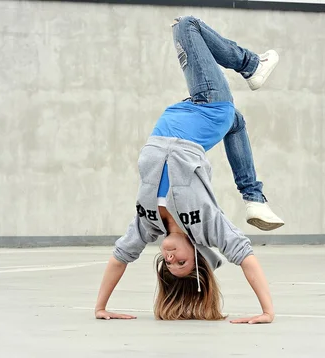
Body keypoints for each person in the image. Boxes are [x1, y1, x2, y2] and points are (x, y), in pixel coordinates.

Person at [94, 15, 282, 324]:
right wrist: (268, 311)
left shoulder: (148, 223)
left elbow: (119, 258)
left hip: (189, 109)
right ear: (196, 253)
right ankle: (251, 65)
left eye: (168, 264)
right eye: (180, 261)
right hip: (209, 109)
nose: (169, 257)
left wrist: (100, 307)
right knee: (186, 26)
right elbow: (244, 255)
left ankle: (254, 197)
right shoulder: (204, 223)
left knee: (236, 123)